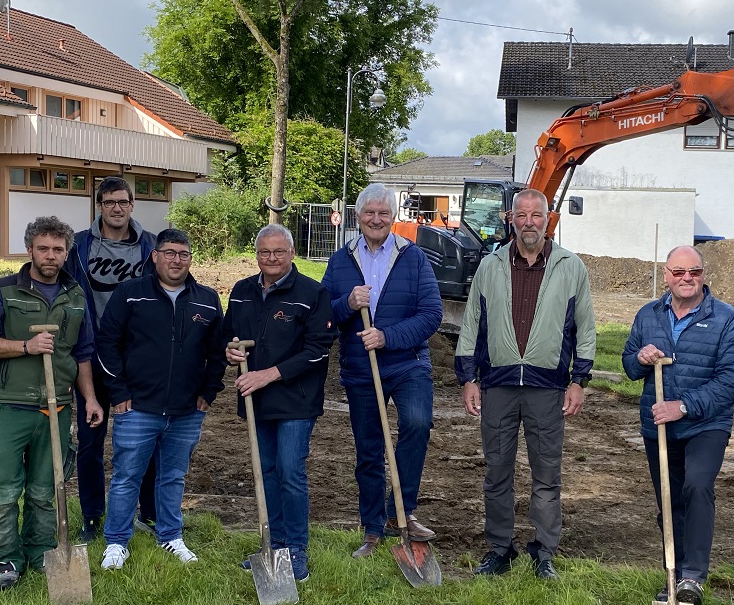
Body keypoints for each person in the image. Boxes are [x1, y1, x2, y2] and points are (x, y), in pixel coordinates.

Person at [455, 188, 596, 581]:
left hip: (547, 389)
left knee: (546, 475)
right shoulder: (490, 265)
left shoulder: (571, 267)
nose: (529, 222)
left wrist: (578, 380)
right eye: (522, 215)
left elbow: (585, 328)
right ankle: (500, 548)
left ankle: (544, 552)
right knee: (497, 472)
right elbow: (471, 326)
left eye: (537, 215)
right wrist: (468, 378)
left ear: (548, 219)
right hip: (497, 385)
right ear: (510, 219)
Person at [0, 216, 104, 592]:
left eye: (58, 249)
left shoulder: (76, 296)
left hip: (57, 407)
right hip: (9, 406)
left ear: (67, 253)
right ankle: (6, 559)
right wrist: (25, 347)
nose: (50, 256)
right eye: (43, 248)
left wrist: (89, 398)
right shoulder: (1, 292)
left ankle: (43, 552)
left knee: (48, 489)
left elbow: (84, 352)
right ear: (29, 250)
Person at [322, 182, 443, 559]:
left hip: (408, 363)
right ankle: (372, 529)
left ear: (393, 217)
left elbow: (432, 314)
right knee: (369, 450)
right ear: (358, 217)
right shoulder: (341, 260)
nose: (376, 219)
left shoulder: (413, 257)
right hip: (361, 370)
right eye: (369, 213)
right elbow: (322, 314)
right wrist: (346, 302)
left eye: (383, 213)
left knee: (417, 424)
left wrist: (387, 336)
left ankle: (400, 513)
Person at [622, 246, 734, 605]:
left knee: (697, 486)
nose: (687, 278)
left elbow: (730, 379)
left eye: (694, 271)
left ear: (703, 274)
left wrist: (685, 406)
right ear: (666, 275)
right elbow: (629, 366)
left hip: (706, 424)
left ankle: (692, 576)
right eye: (679, 272)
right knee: (669, 499)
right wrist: (641, 358)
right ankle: (672, 574)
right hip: (658, 425)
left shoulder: (725, 319)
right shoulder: (648, 315)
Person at [97, 228, 226, 569]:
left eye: (183, 254)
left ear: (190, 259)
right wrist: (119, 391)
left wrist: (208, 392)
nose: (176, 260)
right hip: (137, 405)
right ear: (154, 256)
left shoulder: (207, 299)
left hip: (186, 409)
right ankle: (116, 542)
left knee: (173, 476)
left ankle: (170, 535)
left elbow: (217, 351)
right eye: (169, 252)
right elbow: (107, 343)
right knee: (127, 476)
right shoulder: (130, 293)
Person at [223, 225, 333, 582]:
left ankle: (296, 549)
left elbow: (318, 350)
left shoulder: (312, 293)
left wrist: (268, 374)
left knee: (289, 471)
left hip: (296, 400)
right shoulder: (241, 291)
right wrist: (229, 351)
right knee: (266, 472)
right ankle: (274, 543)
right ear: (256, 255)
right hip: (256, 400)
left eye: (278, 252)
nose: (271, 259)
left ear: (291, 252)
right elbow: (230, 336)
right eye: (264, 253)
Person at [64, 176, 159, 542]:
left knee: (146, 440)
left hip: (137, 359)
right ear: (99, 206)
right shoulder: (79, 245)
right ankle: (92, 515)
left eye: (122, 202)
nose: (116, 208)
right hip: (91, 356)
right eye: (109, 202)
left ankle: (147, 513)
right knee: (91, 441)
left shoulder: (149, 245)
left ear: (132, 205)